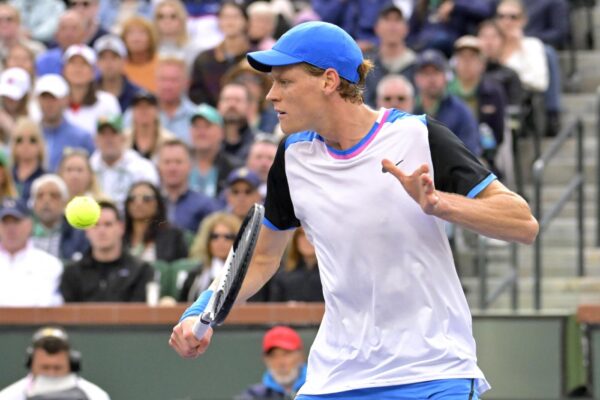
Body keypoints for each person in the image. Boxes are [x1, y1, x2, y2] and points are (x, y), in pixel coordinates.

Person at [170, 21, 539, 399]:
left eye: (284, 82)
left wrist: (440, 205)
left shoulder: (418, 136)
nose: (270, 96)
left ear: (329, 81)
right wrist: (203, 309)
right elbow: (262, 258)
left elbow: (522, 223)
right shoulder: (293, 156)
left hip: (431, 370)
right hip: (336, 378)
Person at [60, 199, 154, 302]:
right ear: (87, 231)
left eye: (108, 224)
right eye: (95, 225)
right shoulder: (73, 273)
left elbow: (140, 313)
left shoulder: (140, 270)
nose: (102, 231)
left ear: (121, 228)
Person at [0, 326, 110, 400]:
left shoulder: (95, 396)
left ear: (71, 364)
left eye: (57, 368)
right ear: (31, 364)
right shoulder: (8, 397)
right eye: (45, 367)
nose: (51, 374)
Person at [412, 49, 481, 156]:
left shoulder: (461, 111)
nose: (431, 79)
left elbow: (471, 150)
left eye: (436, 72)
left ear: (445, 76)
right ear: (417, 78)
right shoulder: (409, 109)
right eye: (425, 73)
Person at [0, 197, 63, 307]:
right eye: (5, 222)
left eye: (16, 221)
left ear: (29, 224)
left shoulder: (49, 265)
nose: (10, 228)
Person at [188, 1, 251, 106]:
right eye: (225, 17)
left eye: (235, 17)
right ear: (218, 22)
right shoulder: (204, 59)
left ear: (246, 21)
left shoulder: (256, 57)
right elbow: (196, 93)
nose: (230, 22)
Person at [90, 114, 159, 206]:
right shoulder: (88, 167)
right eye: (103, 134)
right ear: (96, 140)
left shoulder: (142, 167)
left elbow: (152, 202)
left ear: (123, 138)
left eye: (113, 134)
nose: (108, 140)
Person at [35, 74, 95, 172]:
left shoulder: (82, 137)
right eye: (44, 98)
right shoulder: (28, 135)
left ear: (66, 99)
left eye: (54, 98)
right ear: (38, 100)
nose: (49, 103)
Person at [157, 138, 219, 234]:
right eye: (167, 162)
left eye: (178, 162)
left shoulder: (205, 205)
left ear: (190, 166)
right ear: (158, 167)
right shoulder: (150, 203)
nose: (172, 168)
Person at [363, 3, 416, 108]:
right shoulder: (367, 65)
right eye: (387, 20)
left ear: (407, 28)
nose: (392, 26)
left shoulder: (418, 64)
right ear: (376, 28)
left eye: (397, 20)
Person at [62, 44, 122, 136]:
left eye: (84, 64)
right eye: (72, 63)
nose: (78, 69)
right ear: (64, 70)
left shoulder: (107, 102)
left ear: (93, 71)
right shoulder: (53, 101)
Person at [123, 181, 188, 263]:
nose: (138, 203)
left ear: (158, 203)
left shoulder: (173, 237)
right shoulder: (118, 236)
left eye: (146, 198)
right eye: (132, 198)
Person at [235, 326, 308, 400]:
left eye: (286, 354)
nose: (280, 362)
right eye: (273, 356)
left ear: (300, 356)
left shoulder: (317, 391)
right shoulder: (252, 395)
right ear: (266, 360)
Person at [30, 174, 89, 262]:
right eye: (40, 196)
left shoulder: (78, 235)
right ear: (33, 204)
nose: (46, 201)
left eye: (54, 196)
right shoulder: (22, 232)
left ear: (64, 203)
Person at [188, 103, 241, 199]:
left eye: (207, 126)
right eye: (196, 126)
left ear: (222, 132)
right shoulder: (180, 163)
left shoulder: (233, 168)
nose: (201, 132)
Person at [269, 227, 323, 302]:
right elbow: (273, 309)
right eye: (302, 235)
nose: (307, 240)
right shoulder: (282, 275)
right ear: (295, 241)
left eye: (312, 236)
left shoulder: (330, 276)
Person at [94, 34, 142, 112]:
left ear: (124, 61)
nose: (108, 63)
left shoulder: (137, 95)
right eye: (103, 58)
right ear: (97, 62)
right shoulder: (89, 94)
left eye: (114, 57)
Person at [124, 90, 175, 161]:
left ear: (157, 110)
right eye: (139, 107)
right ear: (132, 111)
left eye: (148, 106)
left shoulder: (169, 141)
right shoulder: (122, 139)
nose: (143, 110)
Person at [35, 10, 87, 76]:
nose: (69, 34)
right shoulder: (45, 60)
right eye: (63, 28)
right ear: (56, 34)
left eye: (74, 28)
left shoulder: (93, 60)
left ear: (84, 33)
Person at [10, 118, 47, 203]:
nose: (25, 145)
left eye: (32, 140)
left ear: (40, 145)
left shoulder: (47, 178)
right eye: (19, 140)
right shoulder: (5, 176)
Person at [121, 16, 159, 94]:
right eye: (131, 33)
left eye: (142, 33)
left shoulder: (161, 64)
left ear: (151, 37)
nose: (136, 38)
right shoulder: (119, 66)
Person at [245, 136, 277, 200]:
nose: (264, 164)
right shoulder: (235, 188)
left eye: (270, 158)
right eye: (258, 157)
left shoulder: (285, 192)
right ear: (248, 161)